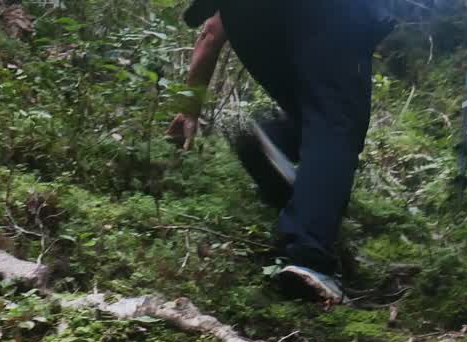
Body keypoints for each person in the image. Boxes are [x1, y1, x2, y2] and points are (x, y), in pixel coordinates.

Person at [168, 0, 396, 304]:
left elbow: (211, 31)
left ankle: (275, 144)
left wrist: (189, 109)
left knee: (318, 116)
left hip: (246, 18)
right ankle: (309, 254)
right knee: (336, 122)